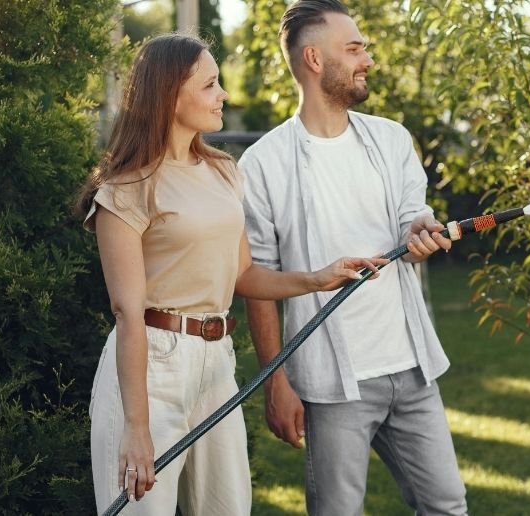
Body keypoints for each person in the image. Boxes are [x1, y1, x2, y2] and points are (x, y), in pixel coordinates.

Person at [75, 33, 387, 515]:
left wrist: (317, 279)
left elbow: (241, 274)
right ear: (169, 95)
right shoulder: (126, 189)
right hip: (151, 370)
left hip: (216, 362)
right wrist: (136, 428)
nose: (223, 94)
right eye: (210, 84)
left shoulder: (222, 169)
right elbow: (127, 312)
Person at [238, 1, 468, 514]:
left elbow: (415, 216)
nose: (368, 60)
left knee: (447, 505)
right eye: (355, 48)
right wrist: (276, 382)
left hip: (411, 368)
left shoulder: (389, 140)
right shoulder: (263, 165)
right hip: (331, 385)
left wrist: (422, 231)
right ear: (315, 59)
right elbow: (257, 281)